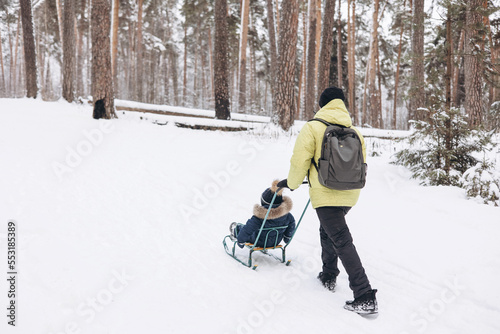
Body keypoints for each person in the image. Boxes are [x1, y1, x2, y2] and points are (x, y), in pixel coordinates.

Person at [277, 86, 378, 314]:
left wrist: (291, 183)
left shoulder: (313, 127)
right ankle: (329, 275)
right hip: (350, 193)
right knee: (329, 231)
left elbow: (299, 161)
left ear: (322, 104)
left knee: (341, 239)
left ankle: (364, 295)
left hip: (325, 193)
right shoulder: (355, 131)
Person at [229, 180, 296, 248]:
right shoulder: (288, 216)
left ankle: (235, 231)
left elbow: (248, 229)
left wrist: (240, 241)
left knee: (244, 229)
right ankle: (239, 229)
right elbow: (291, 226)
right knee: (252, 228)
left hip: (259, 241)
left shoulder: (259, 217)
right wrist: (287, 237)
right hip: (276, 241)